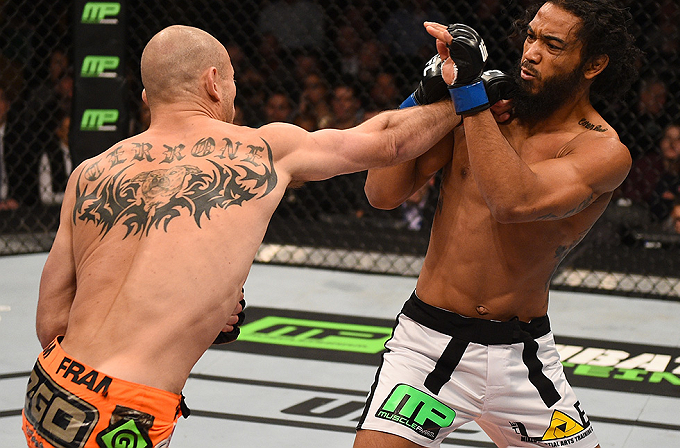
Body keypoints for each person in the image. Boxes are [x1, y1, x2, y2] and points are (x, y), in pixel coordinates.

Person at [22, 24, 462, 448]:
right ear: (214, 82)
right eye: (232, 81)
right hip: (124, 411)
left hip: (50, 391)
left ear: (146, 96)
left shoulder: (90, 173)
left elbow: (52, 324)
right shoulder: (261, 149)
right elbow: (388, 145)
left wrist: (191, 314)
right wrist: (466, 98)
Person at [355, 0, 639, 448]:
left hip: (522, 355)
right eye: (531, 37)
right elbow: (382, 192)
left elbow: (514, 202)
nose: (531, 53)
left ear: (593, 64)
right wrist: (424, 98)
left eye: (552, 45)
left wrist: (468, 97)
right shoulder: (483, 112)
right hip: (427, 343)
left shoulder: (602, 151)